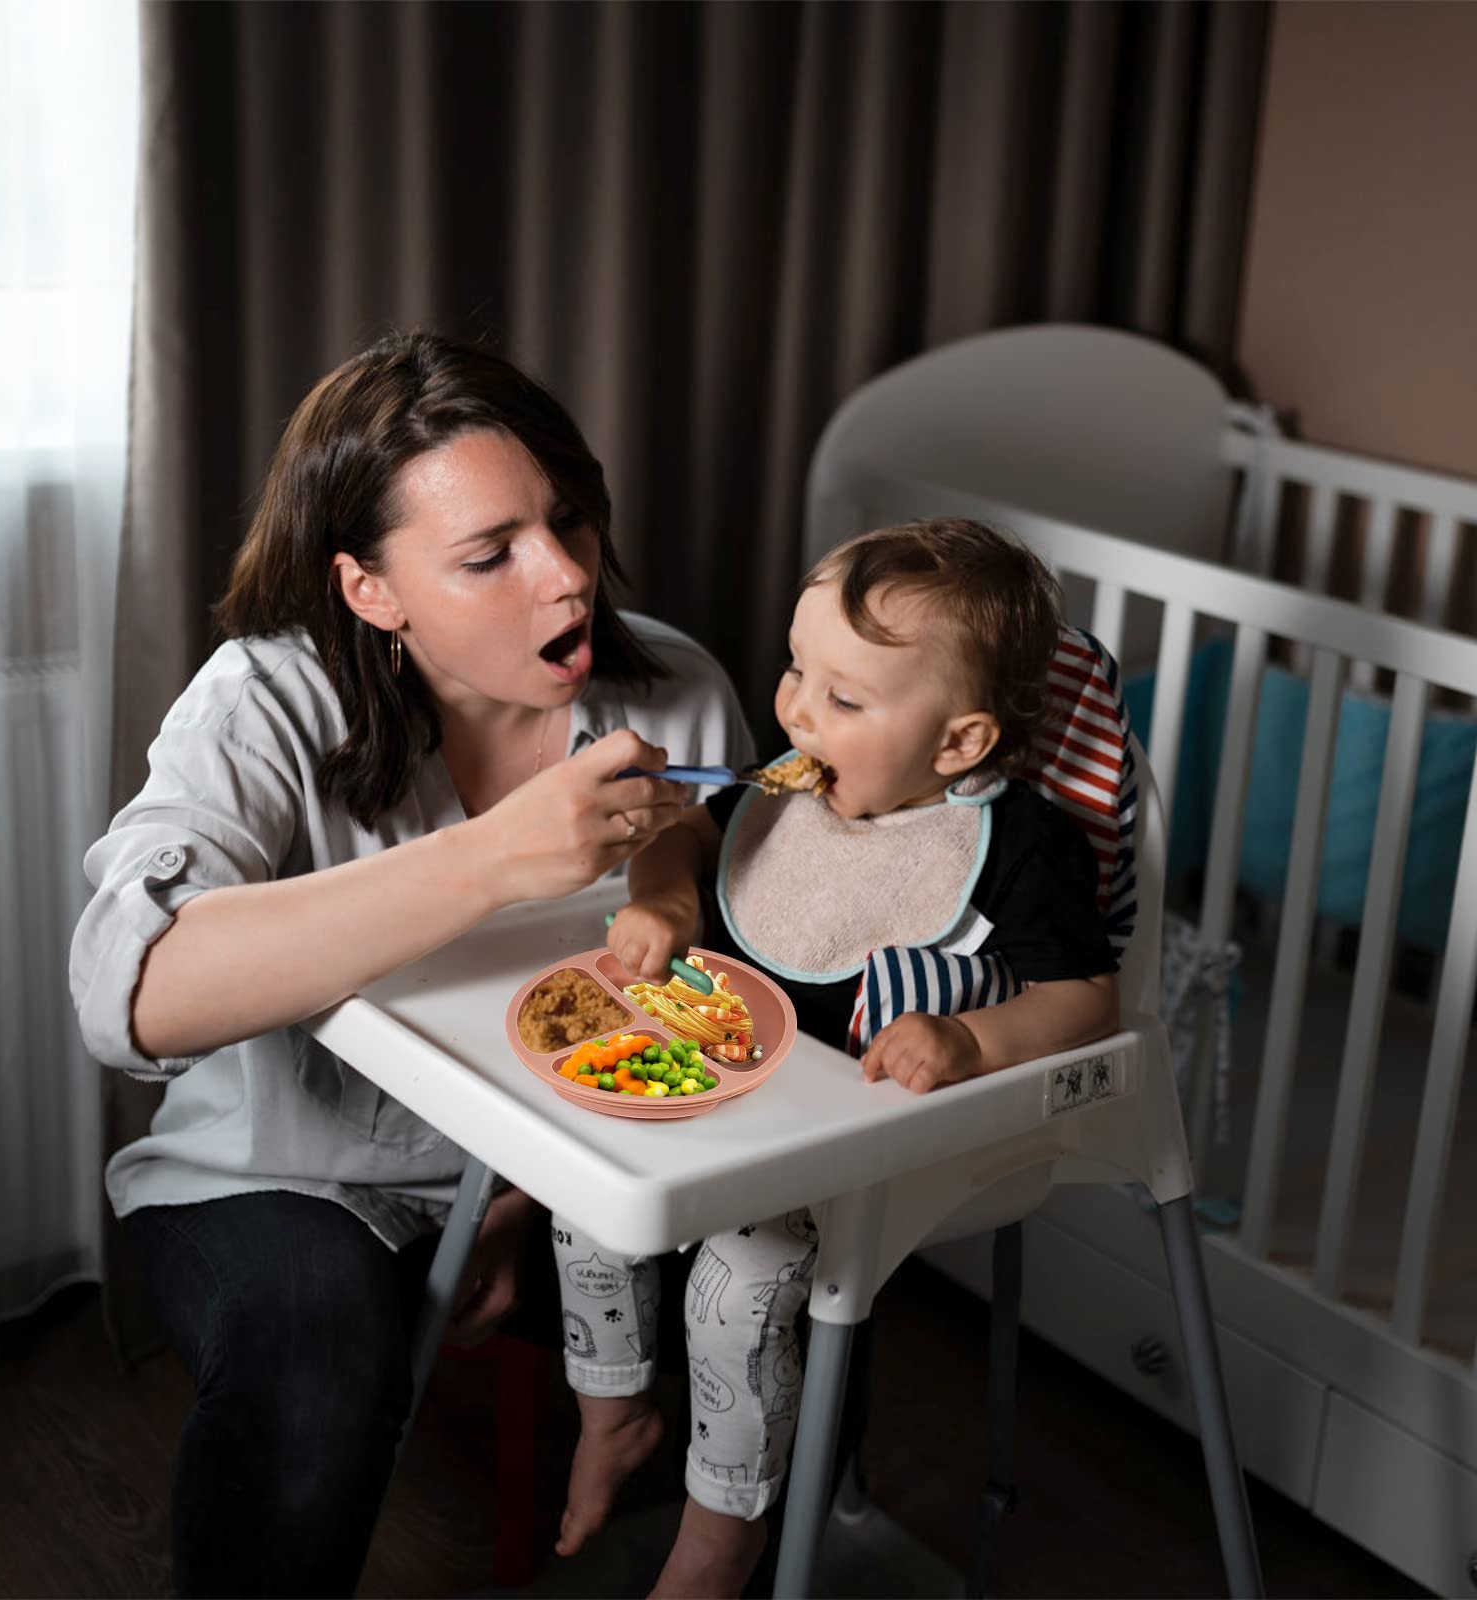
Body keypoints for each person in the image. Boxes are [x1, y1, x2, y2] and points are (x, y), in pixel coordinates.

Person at [69, 329, 754, 1598]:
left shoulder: (679, 698)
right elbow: (134, 994)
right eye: (489, 555)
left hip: (579, 1179)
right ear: (369, 587)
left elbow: (716, 1003)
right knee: (311, 1348)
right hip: (285, 1174)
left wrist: (530, 1197)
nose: (565, 579)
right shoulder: (264, 704)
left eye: (571, 522)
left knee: (794, 1290)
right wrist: (492, 859)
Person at [552, 519, 1121, 1598]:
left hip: (846, 1145)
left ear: (957, 743)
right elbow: (685, 830)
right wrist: (666, 894)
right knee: (587, 1192)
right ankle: (612, 1413)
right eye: (795, 668)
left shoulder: (1015, 849)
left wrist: (968, 1039)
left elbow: (1086, 995)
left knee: (740, 1280)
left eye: (843, 698)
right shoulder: (789, 782)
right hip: (717, 1080)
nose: (797, 709)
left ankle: (721, 1536)